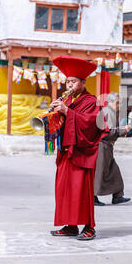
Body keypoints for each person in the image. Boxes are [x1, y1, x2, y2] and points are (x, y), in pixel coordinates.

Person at [49, 56, 107, 240]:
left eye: (73, 82)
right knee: (65, 190)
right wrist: (53, 114)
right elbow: (61, 125)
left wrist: (67, 112)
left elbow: (92, 124)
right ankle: (70, 225)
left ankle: (89, 227)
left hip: (82, 152)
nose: (69, 85)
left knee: (82, 191)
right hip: (66, 152)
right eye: (67, 81)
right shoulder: (68, 100)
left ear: (83, 82)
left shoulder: (91, 101)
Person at [94, 92, 132, 206]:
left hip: (107, 146)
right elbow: (108, 132)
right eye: (117, 103)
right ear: (110, 102)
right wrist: (124, 130)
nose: (119, 106)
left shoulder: (109, 111)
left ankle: (117, 195)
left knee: (114, 171)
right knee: (99, 172)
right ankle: (93, 197)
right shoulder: (108, 112)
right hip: (102, 145)